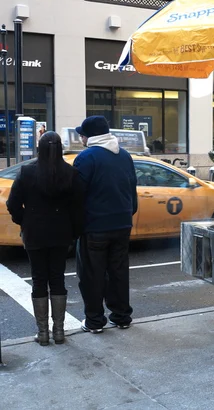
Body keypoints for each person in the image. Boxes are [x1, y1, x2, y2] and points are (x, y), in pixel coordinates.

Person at [6, 131, 84, 345]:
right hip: (61, 234)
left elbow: (12, 204)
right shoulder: (71, 173)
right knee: (58, 278)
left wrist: (25, 221)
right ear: (60, 149)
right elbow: (78, 209)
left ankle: (43, 333)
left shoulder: (27, 172)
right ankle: (59, 331)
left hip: (34, 233)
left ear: (39, 148)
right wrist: (73, 232)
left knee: (38, 279)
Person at [74, 116, 137, 334]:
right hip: (122, 224)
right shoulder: (125, 155)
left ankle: (94, 321)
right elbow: (132, 189)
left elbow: (77, 196)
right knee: (118, 272)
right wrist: (128, 213)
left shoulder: (86, 158)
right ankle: (122, 317)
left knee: (92, 274)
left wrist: (76, 225)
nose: (80, 137)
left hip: (95, 226)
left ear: (89, 136)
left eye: (82, 134)